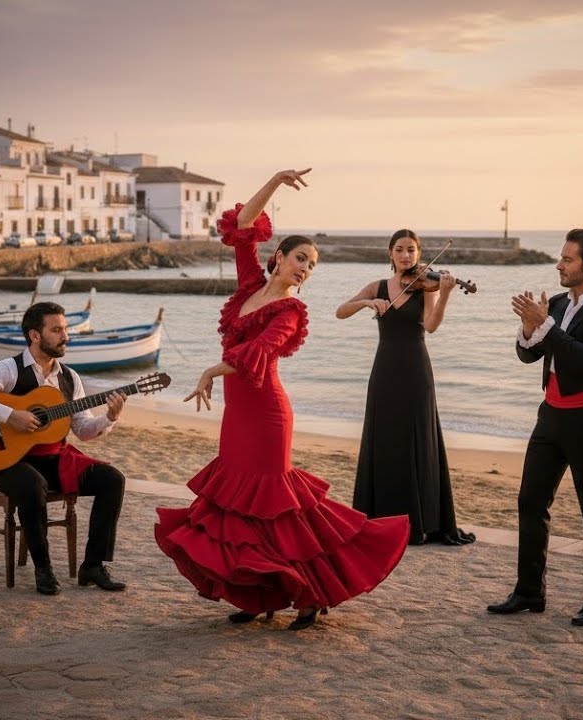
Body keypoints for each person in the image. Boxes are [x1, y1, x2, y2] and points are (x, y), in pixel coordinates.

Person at [154, 168, 410, 631]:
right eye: (300, 258)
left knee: (276, 505)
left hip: (268, 414)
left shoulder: (291, 311)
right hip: (239, 415)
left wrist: (213, 368)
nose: (305, 269)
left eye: (312, 265)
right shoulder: (250, 286)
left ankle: (308, 593)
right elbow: (240, 231)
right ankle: (261, 593)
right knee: (239, 507)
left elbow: (256, 355)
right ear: (280, 257)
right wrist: (274, 181)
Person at [486, 229, 583, 627]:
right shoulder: (557, 302)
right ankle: (530, 592)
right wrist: (529, 328)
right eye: (561, 258)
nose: (559, 265)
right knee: (531, 502)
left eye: (567, 259)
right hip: (549, 416)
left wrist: (545, 326)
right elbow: (529, 355)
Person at [0, 301, 129, 596]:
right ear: (35, 335)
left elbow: (83, 430)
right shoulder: (10, 369)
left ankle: (93, 565)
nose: (65, 336)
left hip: (54, 459)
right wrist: (11, 415)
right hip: (8, 462)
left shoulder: (69, 378)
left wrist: (109, 418)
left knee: (113, 479)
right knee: (33, 485)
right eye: (57, 329)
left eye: (66, 329)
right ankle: (43, 568)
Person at [336, 229, 477, 546]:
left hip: (416, 369)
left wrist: (446, 296)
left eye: (411, 250)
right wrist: (366, 302)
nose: (405, 255)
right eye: (399, 249)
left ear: (417, 253)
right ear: (390, 253)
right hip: (384, 369)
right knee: (384, 437)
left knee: (417, 439)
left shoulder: (428, 287)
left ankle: (420, 522)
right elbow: (340, 311)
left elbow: (431, 325)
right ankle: (382, 518)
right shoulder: (379, 286)